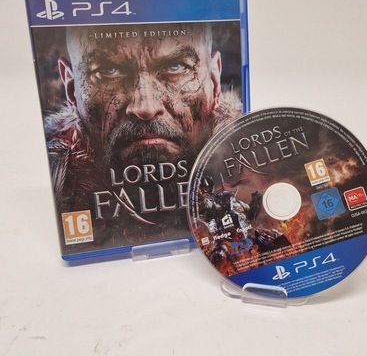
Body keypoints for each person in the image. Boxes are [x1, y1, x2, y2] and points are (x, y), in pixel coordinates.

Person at [44, 22, 243, 244]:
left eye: (176, 66)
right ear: (71, 88)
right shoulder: (60, 192)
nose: (145, 107)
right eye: (108, 71)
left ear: (214, 81)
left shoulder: (255, 178)